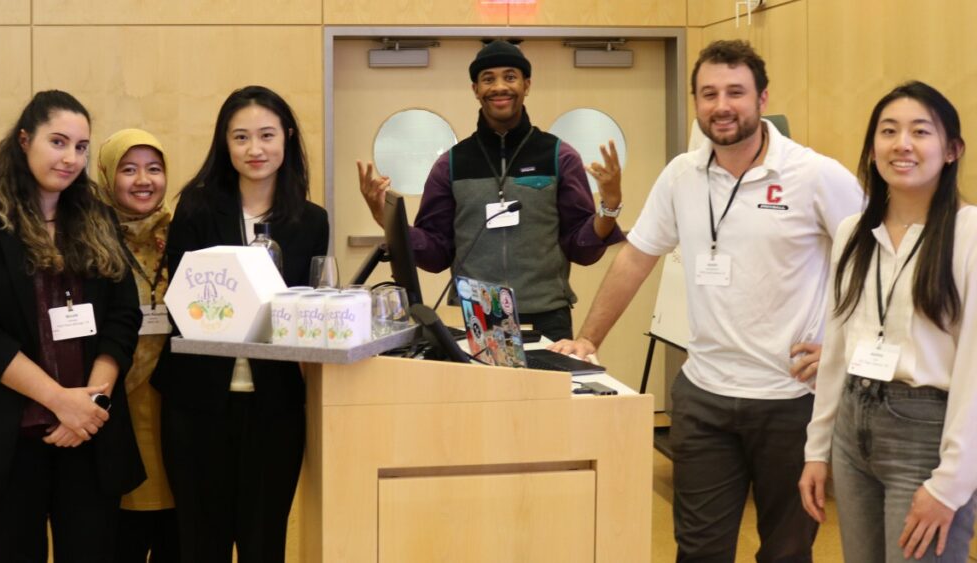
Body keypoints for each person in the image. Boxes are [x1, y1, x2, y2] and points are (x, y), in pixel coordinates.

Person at [550, 40, 864, 561]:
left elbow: (873, 264)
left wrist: (841, 349)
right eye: (709, 93)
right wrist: (588, 338)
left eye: (736, 92)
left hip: (792, 402)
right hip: (703, 398)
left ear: (763, 98)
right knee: (698, 551)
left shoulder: (815, 175)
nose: (722, 105)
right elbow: (635, 258)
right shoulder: (681, 175)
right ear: (696, 102)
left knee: (786, 552)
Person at [0, 90, 145, 562]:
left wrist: (92, 403)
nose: (70, 158)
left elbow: (123, 316)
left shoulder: (98, 220)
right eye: (58, 142)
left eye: (81, 147)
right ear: (24, 140)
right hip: (8, 441)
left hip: (88, 437)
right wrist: (61, 402)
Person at [799, 81, 976, 562]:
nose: (902, 144)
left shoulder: (968, 234)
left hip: (926, 433)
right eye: (888, 131)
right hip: (854, 426)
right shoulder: (853, 232)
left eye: (921, 132)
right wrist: (818, 449)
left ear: (952, 149)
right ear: (873, 147)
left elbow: (974, 374)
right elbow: (836, 347)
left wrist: (950, 484)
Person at [155, 85, 329, 563]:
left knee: (263, 539)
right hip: (197, 402)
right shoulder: (194, 208)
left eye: (267, 135)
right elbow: (182, 304)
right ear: (224, 144)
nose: (255, 149)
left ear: (287, 139)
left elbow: (306, 308)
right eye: (241, 137)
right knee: (199, 540)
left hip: (275, 404)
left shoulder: (311, 221)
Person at [357, 39, 626, 341]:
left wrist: (610, 205)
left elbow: (583, 249)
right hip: (474, 317)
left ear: (527, 84)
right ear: (475, 90)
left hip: (547, 319)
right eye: (488, 79)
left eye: (510, 77)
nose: (499, 87)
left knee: (545, 392)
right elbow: (435, 254)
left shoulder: (559, 156)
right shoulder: (451, 165)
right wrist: (386, 220)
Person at [96, 129, 179, 563]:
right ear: (108, 177)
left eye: (154, 168)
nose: (143, 180)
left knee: (176, 528)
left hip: (175, 401)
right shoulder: (89, 240)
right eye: (129, 170)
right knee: (120, 532)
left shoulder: (183, 234)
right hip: (113, 404)